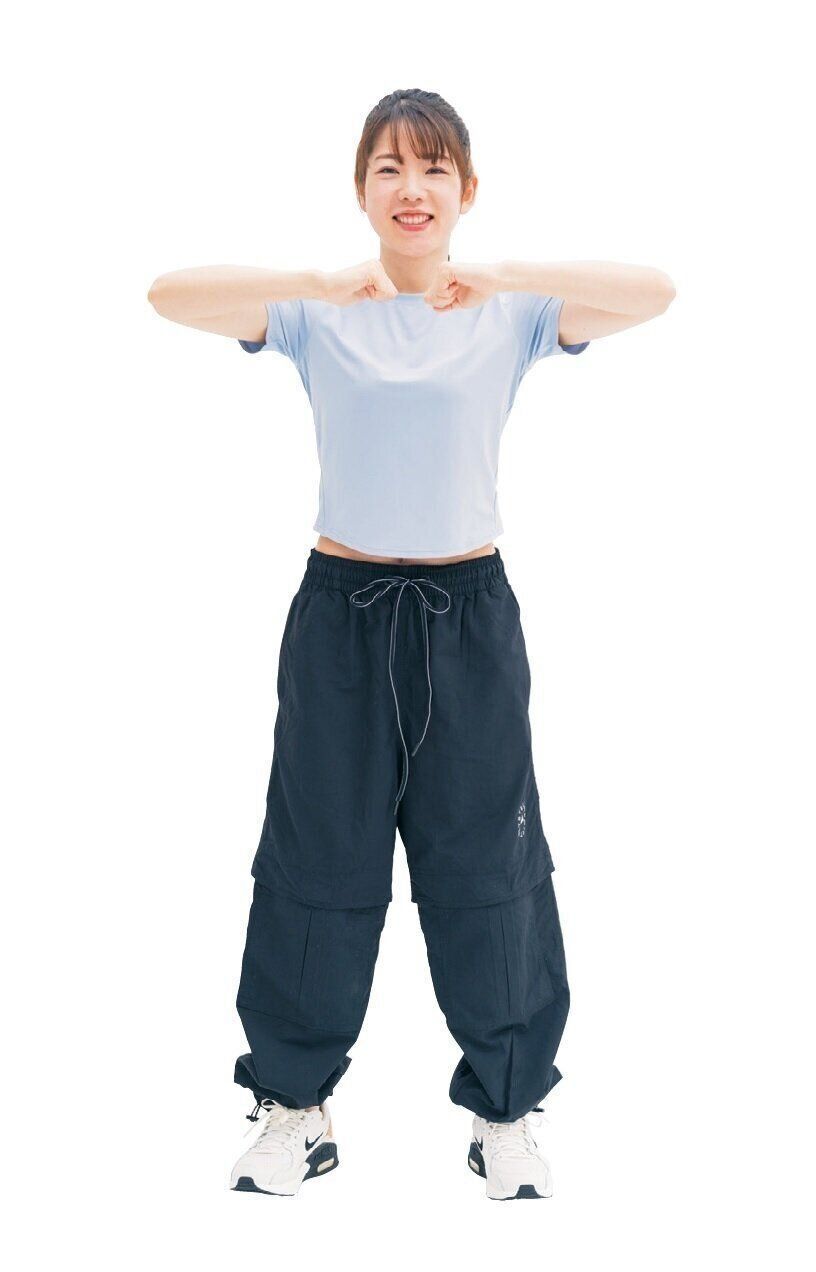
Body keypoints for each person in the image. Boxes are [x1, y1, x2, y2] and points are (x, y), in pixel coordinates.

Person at [148, 88, 676, 1201]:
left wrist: (503, 272)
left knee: (488, 868)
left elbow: (657, 292)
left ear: (466, 189)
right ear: (361, 190)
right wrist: (313, 282)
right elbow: (166, 294)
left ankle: (506, 1113)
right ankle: (294, 1108)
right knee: (317, 860)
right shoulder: (319, 312)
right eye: (388, 168)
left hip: (467, 617)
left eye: (434, 168)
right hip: (340, 614)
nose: (411, 188)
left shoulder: (510, 312)